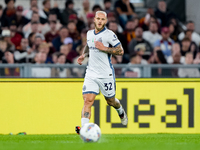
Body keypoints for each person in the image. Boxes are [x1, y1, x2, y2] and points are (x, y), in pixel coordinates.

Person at [75, 11, 128, 134]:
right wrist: (84, 55)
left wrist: (104, 48)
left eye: (102, 19)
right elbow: (89, 45)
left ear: (106, 21)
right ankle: (84, 130)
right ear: (94, 19)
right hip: (91, 73)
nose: (100, 21)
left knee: (111, 101)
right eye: (98, 19)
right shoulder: (89, 34)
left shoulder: (109, 35)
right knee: (87, 100)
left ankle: (120, 110)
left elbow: (121, 51)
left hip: (105, 74)